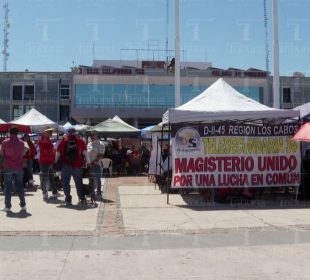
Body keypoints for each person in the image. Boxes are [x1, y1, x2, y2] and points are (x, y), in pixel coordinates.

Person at [56, 127, 87, 205]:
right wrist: (88, 162)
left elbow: (58, 154)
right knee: (79, 182)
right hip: (77, 165)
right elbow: (85, 153)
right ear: (75, 132)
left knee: (65, 183)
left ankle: (68, 199)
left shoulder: (63, 141)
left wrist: (56, 163)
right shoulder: (80, 141)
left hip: (65, 165)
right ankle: (82, 198)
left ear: (68, 132)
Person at [0, 126, 28, 212]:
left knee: (8, 186)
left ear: (9, 132)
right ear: (17, 133)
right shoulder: (22, 143)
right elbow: (23, 153)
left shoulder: (4, 142)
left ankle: (7, 206)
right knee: (20, 186)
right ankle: (23, 205)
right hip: (19, 166)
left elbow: (1, 153)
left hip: (8, 166)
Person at [38, 127, 59, 200]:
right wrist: (53, 150)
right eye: (49, 132)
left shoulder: (47, 140)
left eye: (51, 132)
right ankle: (45, 193)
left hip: (49, 161)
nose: (50, 133)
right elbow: (45, 150)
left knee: (51, 177)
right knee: (45, 178)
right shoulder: (43, 140)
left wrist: (53, 151)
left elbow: (49, 150)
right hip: (45, 161)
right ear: (44, 133)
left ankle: (54, 192)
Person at [86, 130, 105, 198]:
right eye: (90, 134)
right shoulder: (89, 144)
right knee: (91, 179)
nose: (91, 136)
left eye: (93, 134)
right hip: (89, 164)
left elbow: (101, 154)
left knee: (97, 179)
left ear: (97, 135)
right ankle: (91, 192)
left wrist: (94, 162)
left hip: (96, 164)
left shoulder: (101, 144)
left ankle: (99, 193)